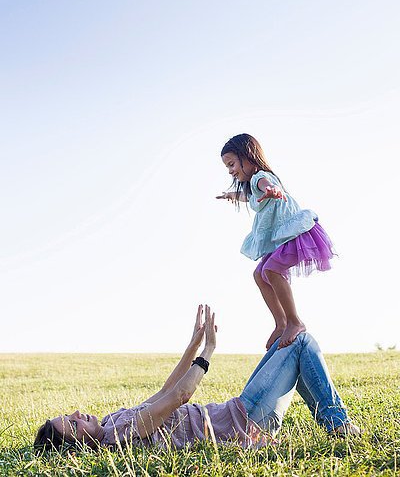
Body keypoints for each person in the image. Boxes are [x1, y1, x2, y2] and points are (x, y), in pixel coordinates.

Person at [34, 305, 359, 453]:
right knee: (299, 340)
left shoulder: (111, 421)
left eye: (69, 416)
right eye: (73, 426)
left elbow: (164, 392)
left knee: (287, 344)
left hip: (241, 409)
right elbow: (180, 396)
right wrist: (208, 351)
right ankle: (339, 426)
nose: (77, 415)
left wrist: (193, 343)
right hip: (247, 421)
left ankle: (336, 425)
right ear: (78, 450)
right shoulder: (118, 437)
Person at [217, 133, 336, 350]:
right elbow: (250, 196)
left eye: (232, 164)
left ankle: (294, 321)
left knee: (271, 271)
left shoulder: (261, 178)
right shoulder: (252, 185)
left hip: (294, 234)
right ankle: (280, 322)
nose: (230, 170)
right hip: (281, 240)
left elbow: (266, 185)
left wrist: (273, 191)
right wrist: (232, 195)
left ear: (248, 157)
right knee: (259, 274)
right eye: (227, 167)